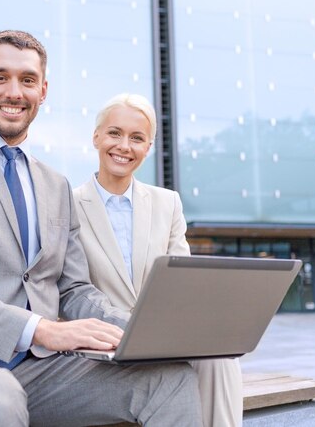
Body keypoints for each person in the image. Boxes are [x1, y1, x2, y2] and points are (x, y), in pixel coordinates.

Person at [0, 30, 204, 427]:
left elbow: (73, 289)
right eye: (0, 77)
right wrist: (40, 329)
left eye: (28, 80)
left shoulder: (55, 185)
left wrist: (147, 330)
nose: (14, 91)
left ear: (43, 90)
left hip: (39, 370)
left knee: (169, 379)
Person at [73, 93, 244, 427]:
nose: (124, 146)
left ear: (148, 147)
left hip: (163, 337)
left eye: (137, 138)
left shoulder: (168, 203)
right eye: (114, 133)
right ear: (96, 137)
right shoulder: (66, 204)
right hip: (103, 344)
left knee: (220, 357)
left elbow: (183, 285)